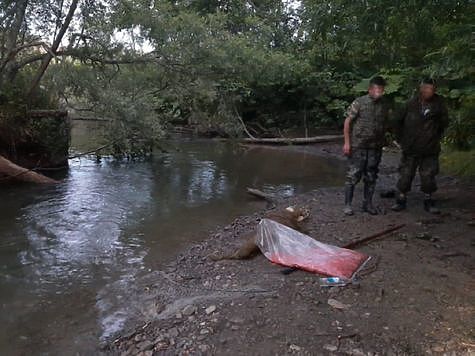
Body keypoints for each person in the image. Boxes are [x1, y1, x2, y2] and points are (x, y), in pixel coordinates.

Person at [392, 78, 449, 214]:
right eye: (425, 89)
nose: (428, 92)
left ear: (434, 90)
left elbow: (444, 123)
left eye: (431, 89)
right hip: (410, 147)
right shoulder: (410, 103)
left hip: (430, 148)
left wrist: (434, 136)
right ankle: (401, 200)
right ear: (421, 89)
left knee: (428, 177)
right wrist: (400, 140)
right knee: (405, 175)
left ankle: (428, 200)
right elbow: (397, 122)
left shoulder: (439, 104)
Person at [343, 76, 390, 215]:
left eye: (381, 90)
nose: (379, 92)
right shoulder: (359, 102)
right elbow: (347, 122)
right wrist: (347, 143)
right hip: (359, 145)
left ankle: (367, 204)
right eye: (376, 89)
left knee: (371, 175)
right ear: (370, 89)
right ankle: (347, 205)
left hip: (375, 147)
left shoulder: (385, 105)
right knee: (353, 175)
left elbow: (386, 123)